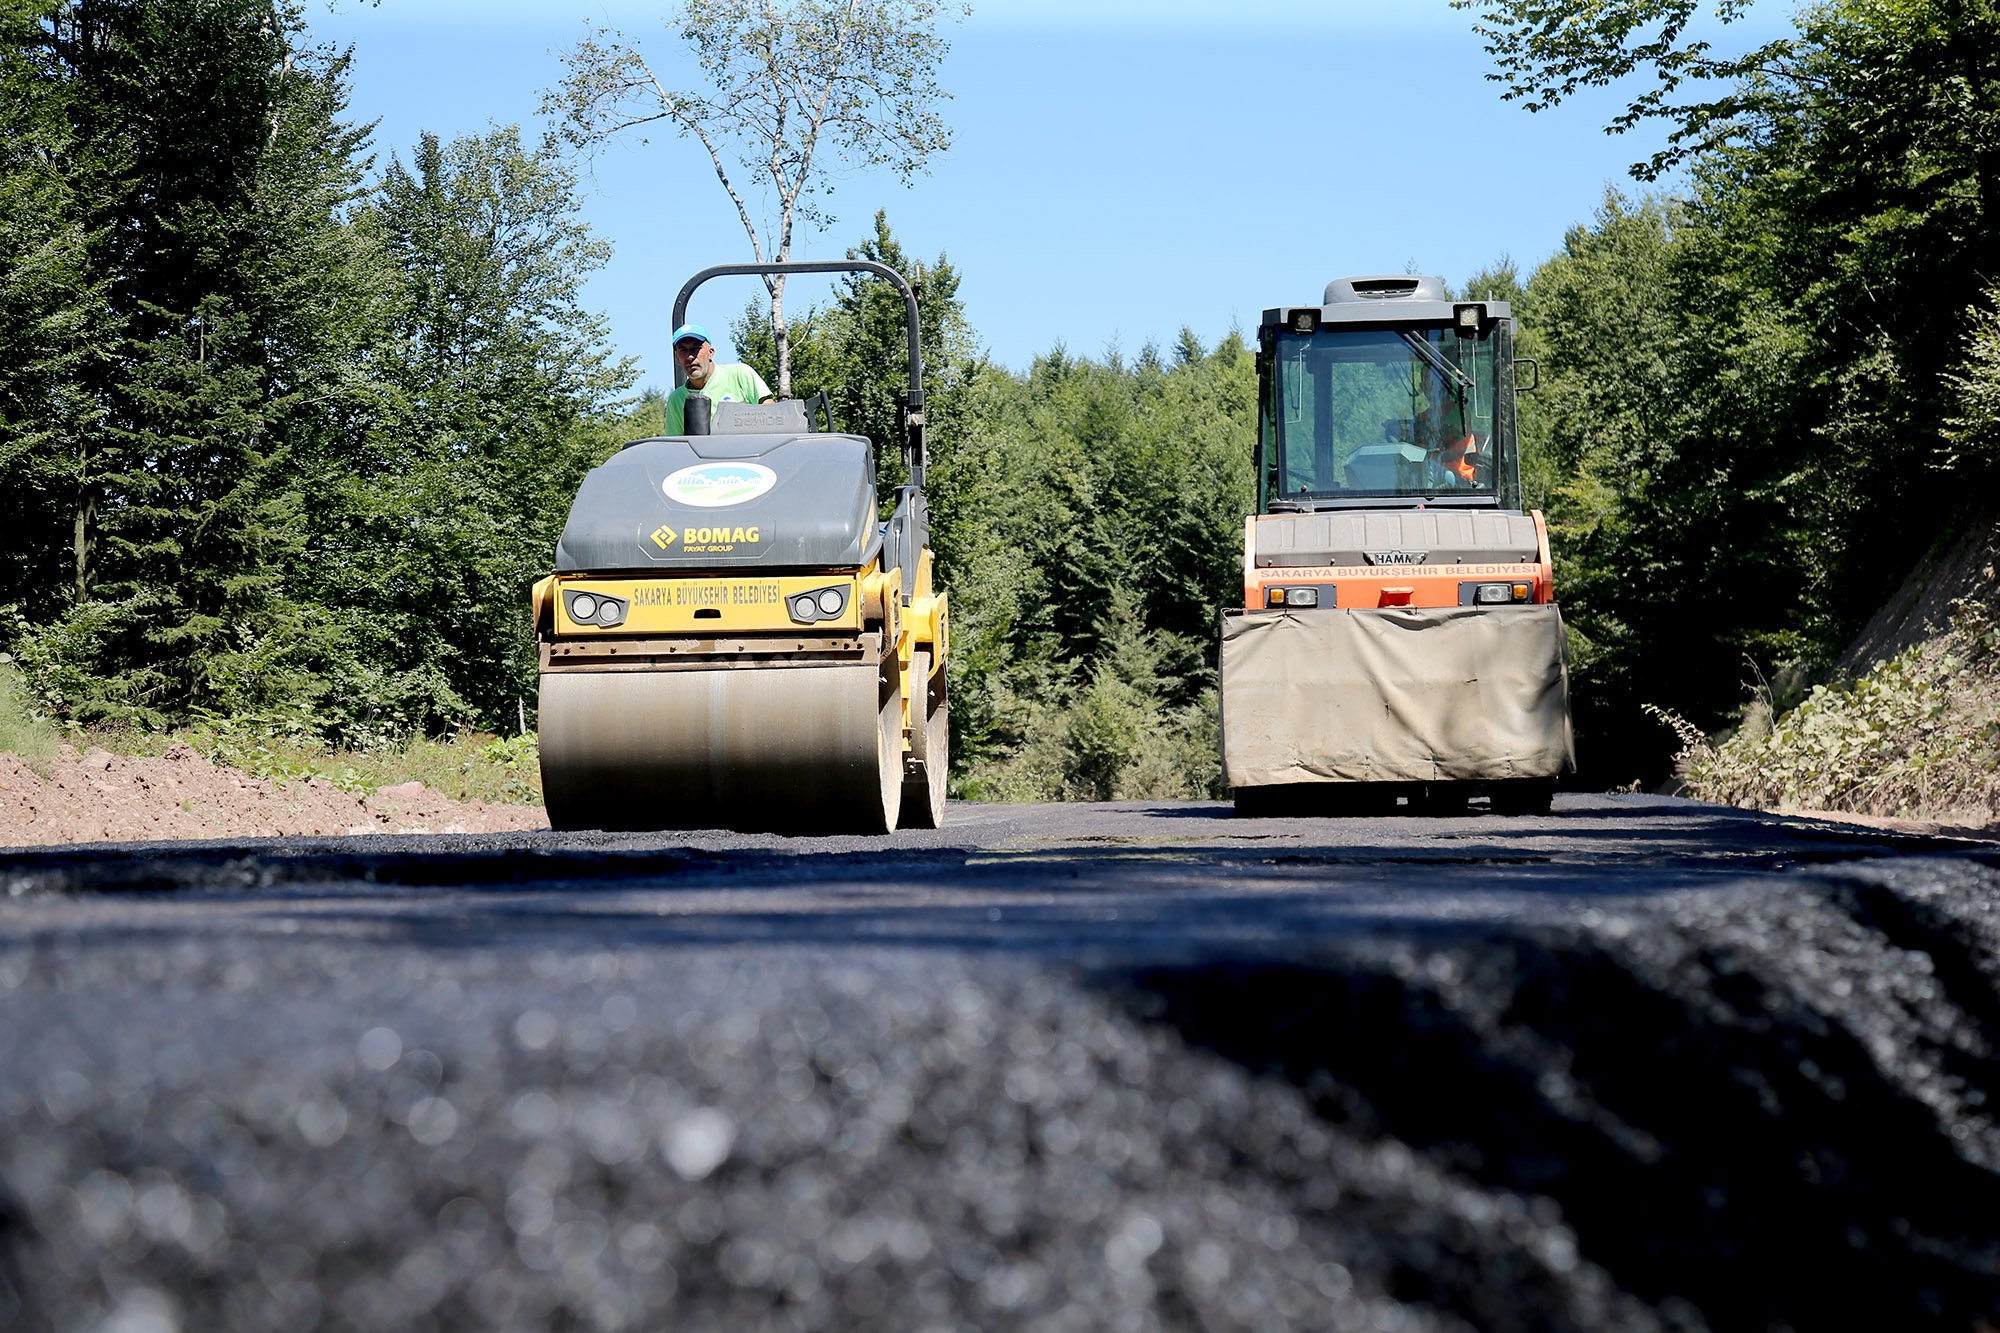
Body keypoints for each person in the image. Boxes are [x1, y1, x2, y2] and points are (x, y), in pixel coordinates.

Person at [664, 323, 776, 433]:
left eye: (695, 349)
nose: (690, 357)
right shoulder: (676, 399)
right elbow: (676, 445)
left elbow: (771, 415)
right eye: (683, 350)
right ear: (677, 358)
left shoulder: (740, 374)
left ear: (710, 353)